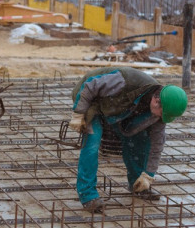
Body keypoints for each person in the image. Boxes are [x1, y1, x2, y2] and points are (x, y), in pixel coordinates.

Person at [68, 67, 187, 213]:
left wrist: (148, 175)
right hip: (90, 99)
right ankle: (88, 196)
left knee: (139, 140)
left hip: (118, 106)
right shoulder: (125, 81)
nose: (162, 118)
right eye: (162, 114)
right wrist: (78, 113)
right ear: (156, 101)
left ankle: (137, 185)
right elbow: (90, 85)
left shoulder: (161, 110)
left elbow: (156, 145)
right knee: (92, 143)